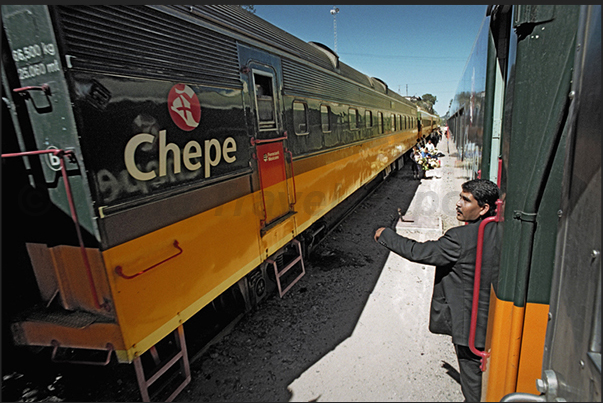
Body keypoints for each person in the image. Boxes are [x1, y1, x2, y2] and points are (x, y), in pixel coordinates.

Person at [373, 179, 501, 402]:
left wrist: (386, 235)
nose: (458, 204)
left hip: (470, 330)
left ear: (484, 208)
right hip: (497, 324)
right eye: (460, 197)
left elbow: (419, 251)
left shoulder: (460, 238)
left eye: (465, 200)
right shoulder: (502, 233)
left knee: (473, 389)